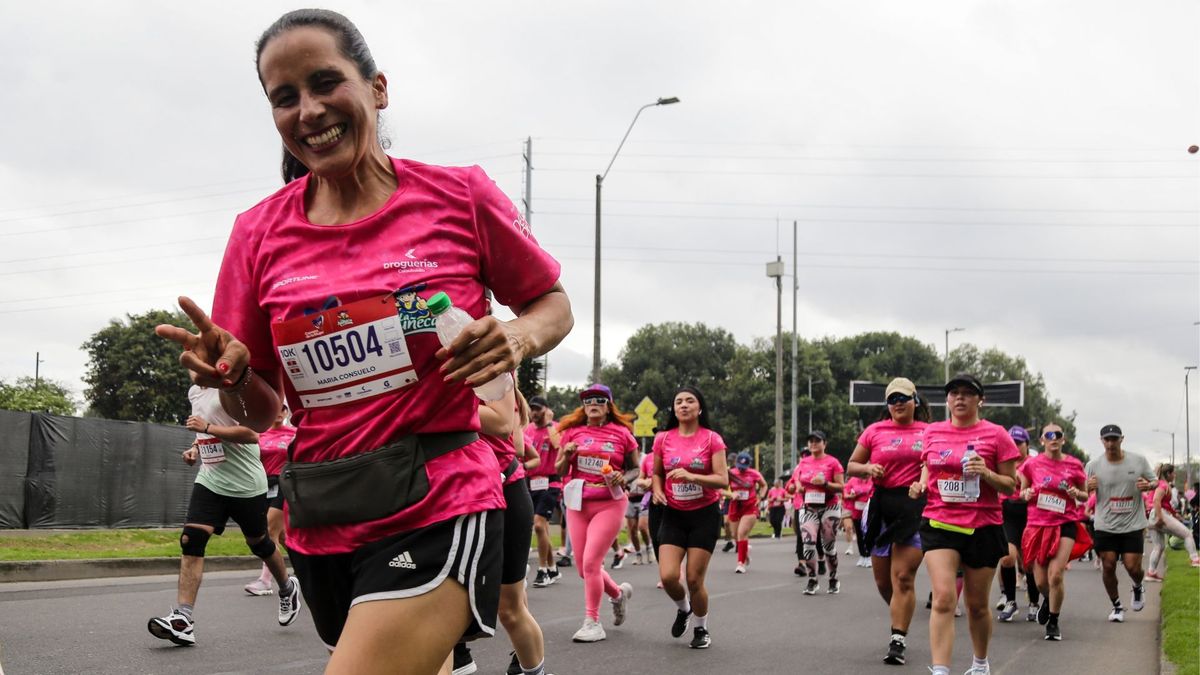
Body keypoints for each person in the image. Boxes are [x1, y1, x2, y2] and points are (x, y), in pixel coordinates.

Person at [154, 10, 572, 673]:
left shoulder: (458, 196)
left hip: (441, 496)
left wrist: (518, 335)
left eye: (326, 82)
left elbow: (553, 303)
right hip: (324, 511)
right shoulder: (257, 234)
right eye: (284, 97)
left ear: (377, 87)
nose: (309, 110)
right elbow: (262, 411)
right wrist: (233, 378)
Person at [147, 386, 301, 646]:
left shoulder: (236, 390)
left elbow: (252, 434)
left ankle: (287, 587)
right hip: (211, 479)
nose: (191, 364)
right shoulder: (195, 392)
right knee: (191, 539)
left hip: (245, 484)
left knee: (260, 543)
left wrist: (207, 428)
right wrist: (196, 447)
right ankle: (183, 619)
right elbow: (204, 427)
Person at [909, 374, 1018, 675]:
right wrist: (920, 484)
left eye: (967, 393)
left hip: (983, 526)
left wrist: (986, 473)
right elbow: (928, 465)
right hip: (940, 522)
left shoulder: (996, 435)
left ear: (979, 400)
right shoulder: (933, 432)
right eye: (954, 393)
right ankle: (941, 670)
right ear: (947, 400)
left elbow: (1011, 486)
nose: (959, 398)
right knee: (943, 597)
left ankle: (980, 664)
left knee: (978, 605)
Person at [456, 384, 550, 675]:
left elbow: (510, 436)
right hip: (452, 495)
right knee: (441, 600)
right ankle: (459, 657)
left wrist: (437, 406)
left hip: (503, 490)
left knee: (509, 609)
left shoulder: (491, 365)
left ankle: (534, 671)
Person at [847, 376, 931, 665]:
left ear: (915, 401)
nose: (897, 404)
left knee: (903, 576)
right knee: (885, 582)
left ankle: (898, 639)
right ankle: (901, 609)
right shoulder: (874, 431)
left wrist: (922, 483)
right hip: (882, 506)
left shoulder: (929, 431)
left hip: (915, 506)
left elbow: (934, 464)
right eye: (892, 399)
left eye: (903, 398)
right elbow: (851, 466)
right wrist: (869, 467)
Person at [554, 385, 637, 643]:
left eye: (600, 400)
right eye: (588, 400)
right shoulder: (572, 433)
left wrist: (623, 476)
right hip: (578, 502)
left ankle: (592, 622)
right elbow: (559, 470)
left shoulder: (622, 434)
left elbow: (635, 469)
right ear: (584, 406)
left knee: (591, 563)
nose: (594, 404)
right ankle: (617, 594)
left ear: (608, 405)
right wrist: (567, 455)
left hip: (609, 503)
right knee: (583, 568)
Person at [651, 386, 729, 649]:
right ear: (674, 409)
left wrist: (692, 476)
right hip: (673, 513)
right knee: (669, 576)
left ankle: (701, 628)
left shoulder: (712, 439)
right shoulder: (663, 438)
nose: (683, 405)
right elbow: (657, 473)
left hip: (704, 515)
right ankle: (684, 609)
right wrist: (658, 490)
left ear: (699, 408)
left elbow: (722, 480)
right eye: (678, 402)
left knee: (694, 579)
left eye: (690, 401)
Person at [1017, 423, 1088, 641]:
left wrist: (1077, 493)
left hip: (1064, 522)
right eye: (1049, 435)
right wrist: (1026, 493)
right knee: (1040, 582)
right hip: (1038, 524)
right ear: (1042, 440)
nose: (1053, 438)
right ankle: (1048, 600)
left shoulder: (1074, 465)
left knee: (1055, 575)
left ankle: (1054, 622)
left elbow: (1085, 496)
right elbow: (1021, 492)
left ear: (1063, 440)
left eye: (1058, 435)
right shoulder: (1032, 464)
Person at [1086, 425, 1156, 624]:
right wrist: (1087, 487)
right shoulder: (1093, 465)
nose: (1110, 443)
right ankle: (1116, 605)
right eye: (1106, 439)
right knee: (1108, 566)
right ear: (1101, 441)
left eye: (1114, 439)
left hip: (1132, 523)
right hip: (1105, 524)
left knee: (1132, 567)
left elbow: (1155, 481)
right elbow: (1082, 492)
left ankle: (1137, 585)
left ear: (1121, 439)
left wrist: (1148, 485)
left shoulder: (1138, 460)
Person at [244, 402, 296, 596]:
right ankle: (307, 567)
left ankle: (265, 581)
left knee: (268, 529)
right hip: (263, 485)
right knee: (282, 537)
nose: (279, 412)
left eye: (283, 408)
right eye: (274, 407)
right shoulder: (258, 435)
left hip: (285, 484)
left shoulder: (294, 433)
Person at [790, 430, 845, 594]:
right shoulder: (803, 463)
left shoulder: (833, 462)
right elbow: (796, 481)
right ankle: (812, 579)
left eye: (817, 441)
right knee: (808, 543)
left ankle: (833, 578)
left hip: (829, 506)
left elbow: (841, 486)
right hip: (809, 507)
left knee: (828, 546)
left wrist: (825, 483)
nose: (813, 443)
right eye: (810, 441)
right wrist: (797, 486)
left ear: (824, 443)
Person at [995, 425, 1041, 623]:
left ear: (1027, 445)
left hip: (1030, 515)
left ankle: (1033, 603)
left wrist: (1029, 490)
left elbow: (1043, 483)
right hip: (1007, 513)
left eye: (1019, 443)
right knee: (1007, 558)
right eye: (1011, 442)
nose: (1014, 445)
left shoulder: (1034, 463)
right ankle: (1011, 601)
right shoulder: (1002, 461)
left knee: (1029, 565)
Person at [525, 396, 564, 588]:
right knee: (543, 529)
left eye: (538, 409)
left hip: (551, 483)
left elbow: (559, 447)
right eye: (531, 409)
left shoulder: (554, 428)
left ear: (546, 410)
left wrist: (549, 423)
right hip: (531, 483)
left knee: (539, 525)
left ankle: (542, 570)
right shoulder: (528, 430)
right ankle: (553, 567)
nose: (534, 413)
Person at [1146, 464, 1200, 581]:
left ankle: (1151, 572)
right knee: (1187, 534)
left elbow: (1163, 503)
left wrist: (1174, 514)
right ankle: (1195, 559)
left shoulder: (1159, 484)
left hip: (1152, 516)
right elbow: (1156, 500)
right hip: (1158, 514)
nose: (1175, 475)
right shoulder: (1163, 485)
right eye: (1173, 473)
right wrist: (1160, 518)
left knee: (1158, 547)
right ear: (1168, 474)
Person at [727, 452, 766, 573]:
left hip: (750, 506)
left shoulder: (754, 474)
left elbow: (764, 485)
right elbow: (721, 488)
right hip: (734, 506)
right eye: (739, 466)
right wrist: (731, 494)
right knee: (734, 535)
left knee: (742, 532)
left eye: (744, 467)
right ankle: (745, 554)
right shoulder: (731, 473)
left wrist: (760, 497)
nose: (741, 469)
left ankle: (740, 563)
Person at [842, 473, 874, 567]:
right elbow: (845, 491)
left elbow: (874, 492)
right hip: (856, 509)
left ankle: (868, 556)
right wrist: (850, 495)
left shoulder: (873, 480)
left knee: (868, 533)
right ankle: (862, 555)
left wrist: (867, 495)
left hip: (868, 510)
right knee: (859, 534)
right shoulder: (853, 480)